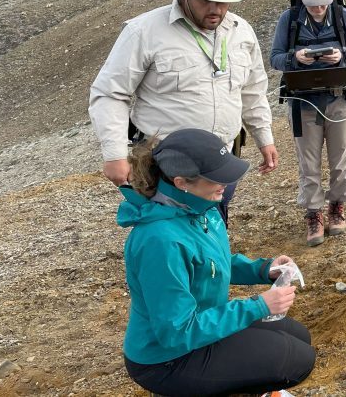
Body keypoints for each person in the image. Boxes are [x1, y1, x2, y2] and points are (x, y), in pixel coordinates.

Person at [119, 128, 315, 396]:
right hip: (167, 358)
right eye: (217, 178)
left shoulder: (200, 208)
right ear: (181, 182)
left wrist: (262, 269)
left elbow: (213, 262)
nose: (226, 184)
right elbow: (176, 331)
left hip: (200, 329)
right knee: (295, 362)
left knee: (298, 337)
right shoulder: (159, 242)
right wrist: (258, 306)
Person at [89, 0, 278, 225]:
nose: (216, 9)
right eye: (205, 0)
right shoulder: (144, 31)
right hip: (165, 164)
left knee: (213, 229)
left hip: (221, 159)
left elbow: (252, 90)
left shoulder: (241, 32)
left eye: (223, 2)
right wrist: (114, 155)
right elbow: (110, 93)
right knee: (168, 235)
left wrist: (264, 137)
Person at [270, 0, 346, 246]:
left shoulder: (345, 17)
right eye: (313, 3)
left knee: (341, 160)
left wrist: (342, 57)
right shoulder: (288, 20)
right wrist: (295, 57)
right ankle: (313, 213)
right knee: (308, 163)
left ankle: (337, 207)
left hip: (339, 99)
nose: (319, 8)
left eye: (323, 1)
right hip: (302, 102)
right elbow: (275, 58)